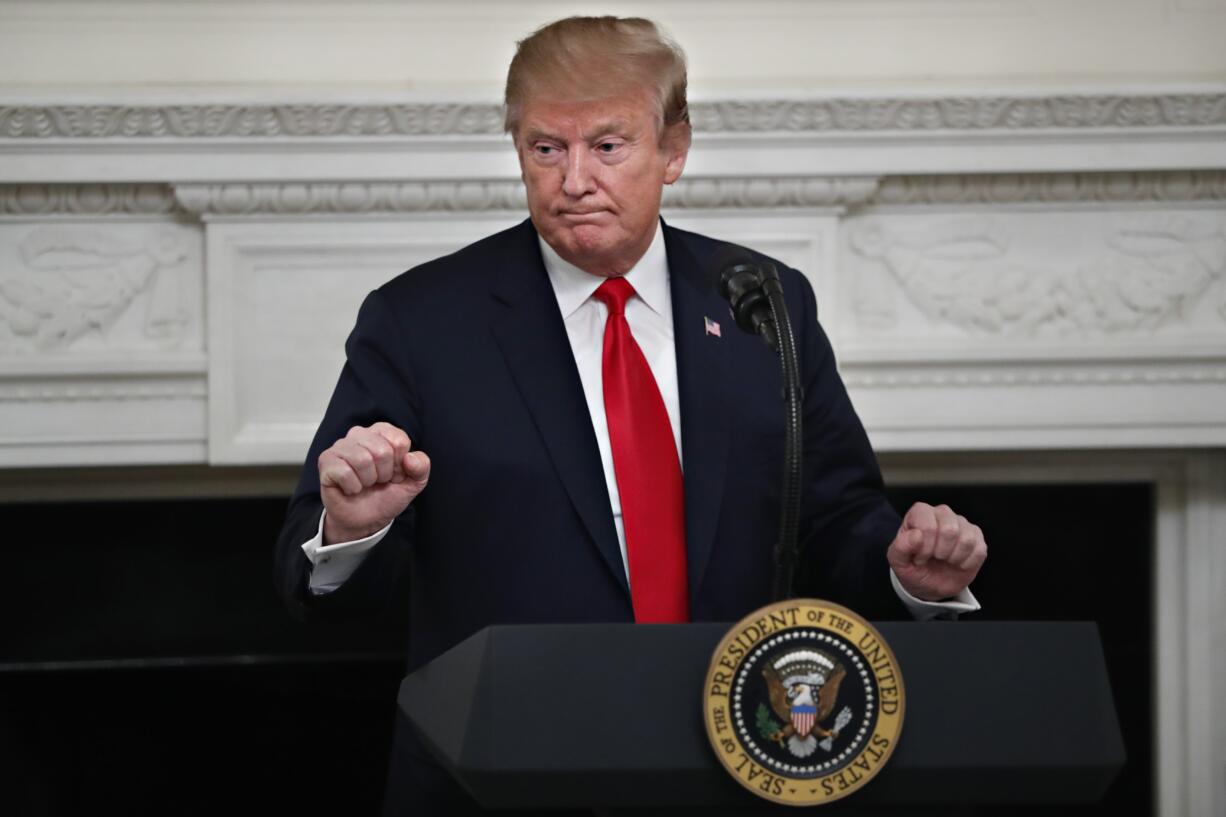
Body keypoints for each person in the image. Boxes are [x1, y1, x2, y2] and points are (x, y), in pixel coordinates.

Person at [274, 16, 986, 815]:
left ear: (673, 151)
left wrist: (907, 573)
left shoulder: (764, 302)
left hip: (734, 766)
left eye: (607, 146)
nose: (573, 178)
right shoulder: (421, 320)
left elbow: (835, 518)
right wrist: (353, 529)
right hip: (502, 778)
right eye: (547, 148)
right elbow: (313, 583)